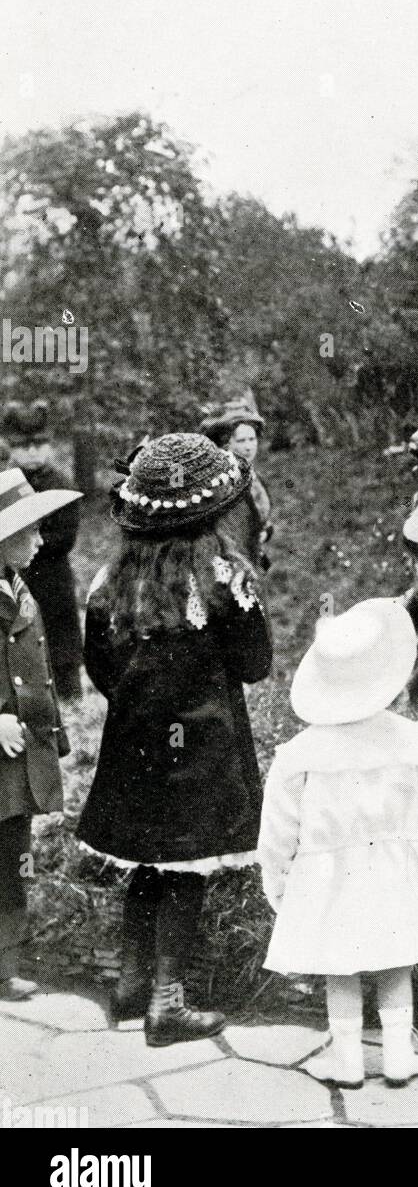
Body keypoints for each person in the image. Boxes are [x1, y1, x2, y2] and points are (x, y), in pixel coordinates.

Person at [76, 434, 272, 1045]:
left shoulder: (110, 578)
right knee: (186, 867)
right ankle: (169, 1002)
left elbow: (99, 667)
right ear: (212, 513)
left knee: (145, 860)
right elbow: (254, 662)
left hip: (133, 743)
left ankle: (132, 985)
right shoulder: (222, 577)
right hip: (203, 746)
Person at [258, 598, 418, 1089]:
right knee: (394, 960)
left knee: (338, 967)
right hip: (395, 866)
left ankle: (346, 1058)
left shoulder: (300, 753)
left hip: (327, 875)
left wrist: (277, 874)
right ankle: (397, 1054)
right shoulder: (414, 740)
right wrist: (415, 822)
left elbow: (278, 826)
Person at [0, 467, 81, 1000]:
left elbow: (40, 665)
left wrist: (55, 731)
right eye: (29, 531)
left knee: (13, 855)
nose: (40, 539)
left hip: (21, 751)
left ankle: (4, 963)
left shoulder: (21, 587)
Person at [3, 401, 83, 699]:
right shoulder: (6, 484)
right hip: (12, 573)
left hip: (51, 575)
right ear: (12, 447)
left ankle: (70, 694)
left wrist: (23, 541)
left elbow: (64, 538)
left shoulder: (61, 484)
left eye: (39, 444)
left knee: (61, 635)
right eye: (24, 446)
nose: (33, 452)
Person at [200, 396, 272, 571]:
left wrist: (265, 532)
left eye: (252, 439)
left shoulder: (255, 477)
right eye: (241, 441)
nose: (249, 447)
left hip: (253, 560)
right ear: (226, 445)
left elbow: (262, 518)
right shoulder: (219, 481)